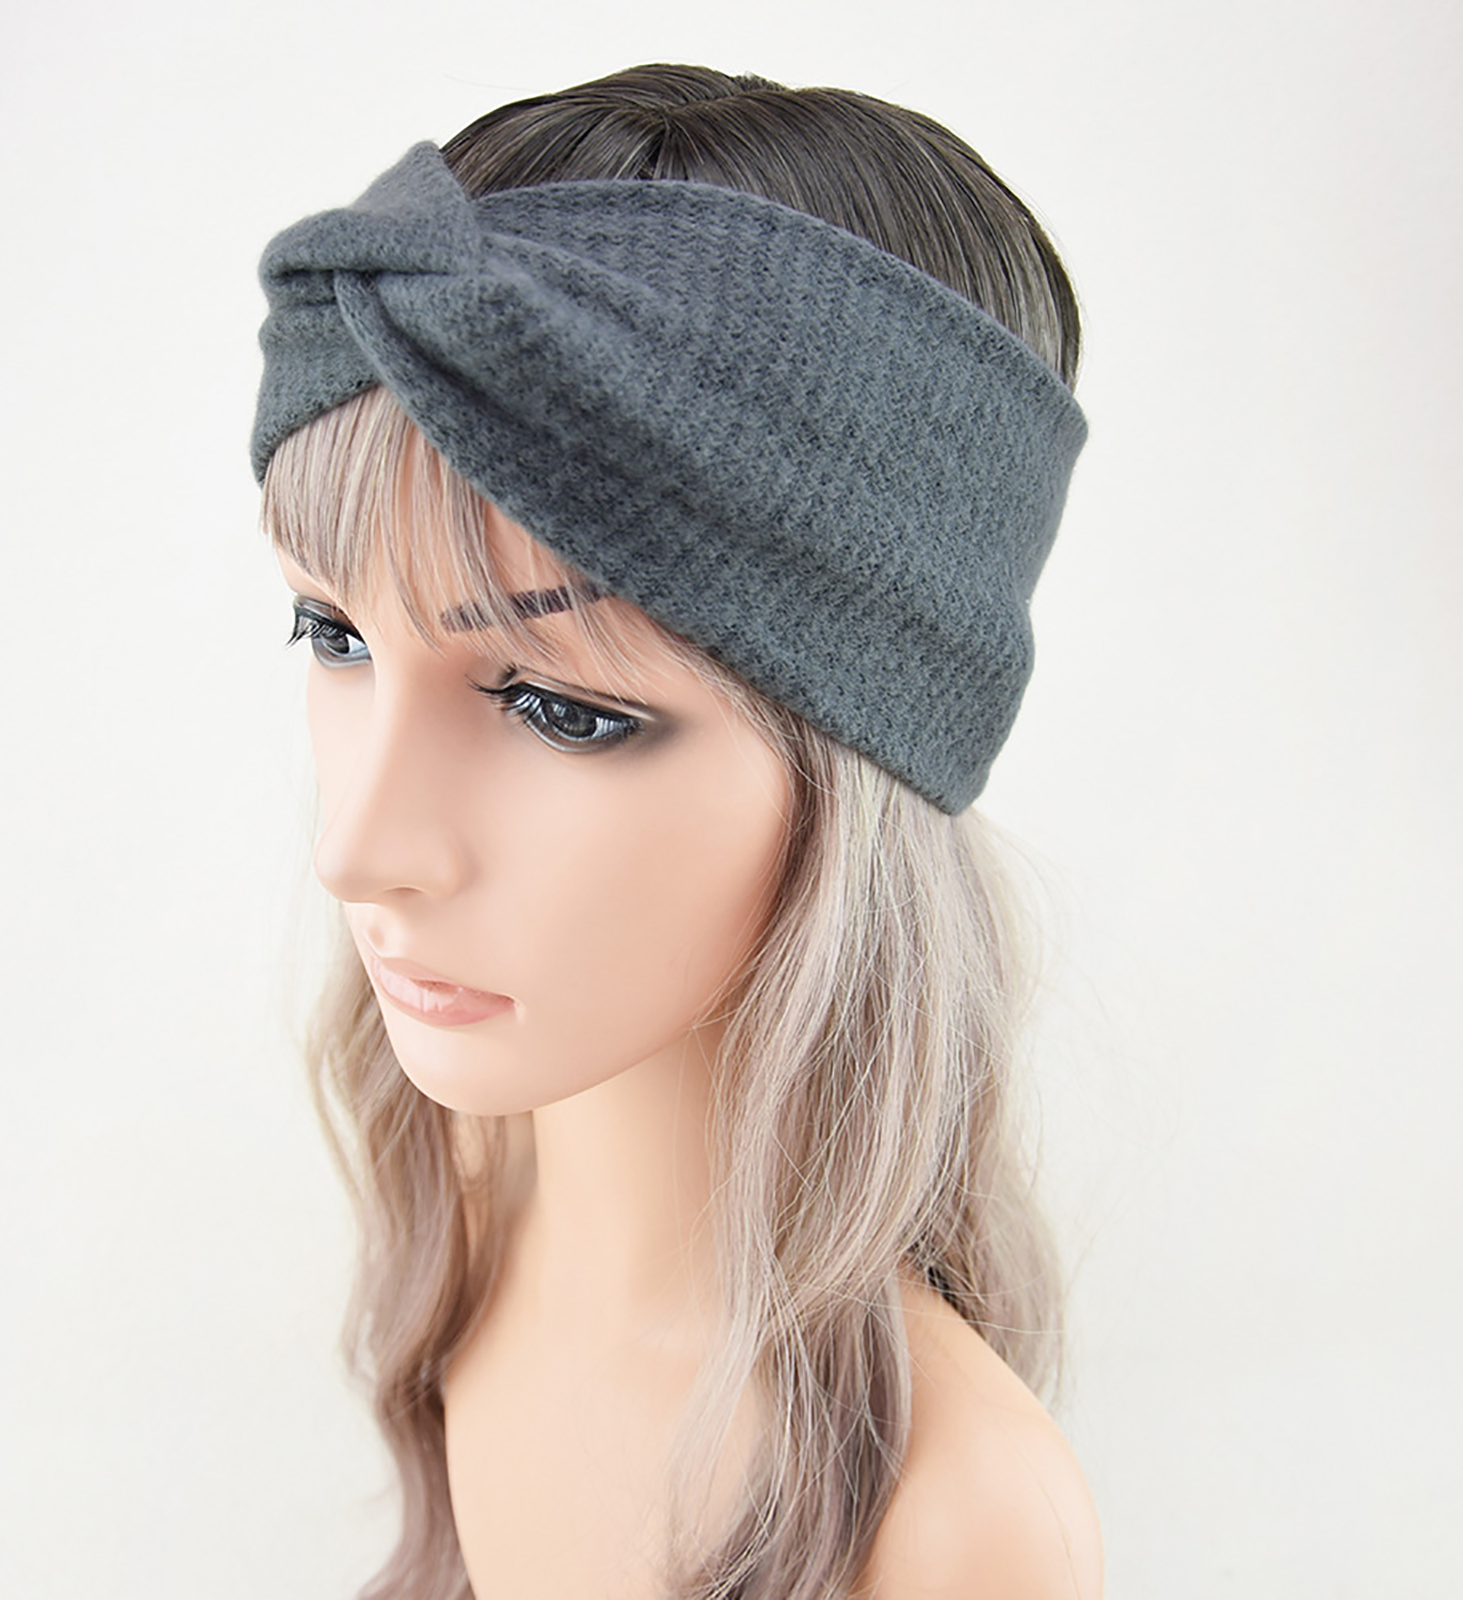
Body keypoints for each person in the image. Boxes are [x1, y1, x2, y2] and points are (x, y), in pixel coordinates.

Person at [251, 63, 1102, 1600]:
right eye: (335, 632)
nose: (360, 848)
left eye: (559, 709)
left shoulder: (954, 1525)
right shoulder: (481, 1180)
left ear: (864, 761)